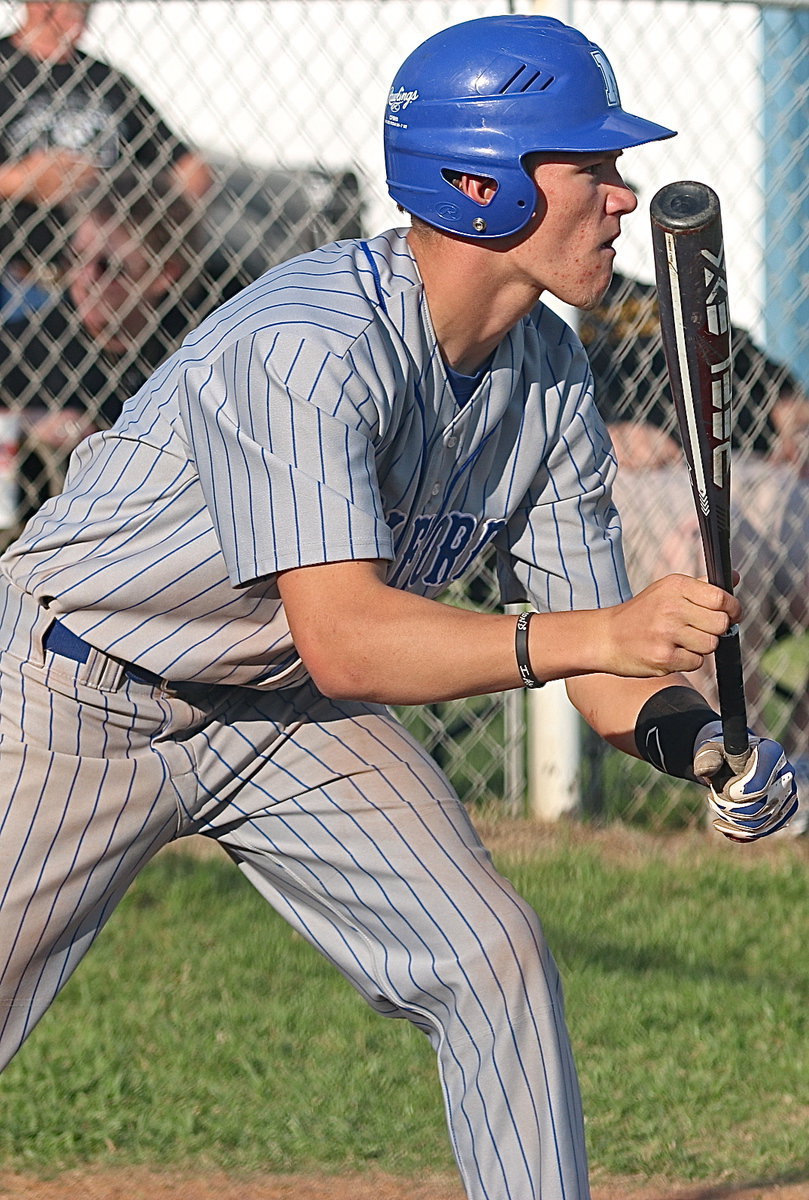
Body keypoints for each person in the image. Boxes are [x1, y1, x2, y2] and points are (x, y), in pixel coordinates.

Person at [0, 16, 798, 1200]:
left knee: (491, 959)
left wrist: (699, 743)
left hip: (277, 714)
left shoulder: (547, 377)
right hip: (74, 691)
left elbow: (600, 668)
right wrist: (596, 636)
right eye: (590, 166)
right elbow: (352, 636)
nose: (623, 198)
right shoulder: (303, 347)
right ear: (477, 182)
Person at [579, 271, 809, 793]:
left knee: (734, 538)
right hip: (639, 487)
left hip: (747, 476)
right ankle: (749, 772)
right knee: (709, 557)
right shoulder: (539, 316)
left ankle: (798, 758)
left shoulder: (674, 303)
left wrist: (799, 430)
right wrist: (602, 437)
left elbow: (784, 398)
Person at [0, 170, 227, 528]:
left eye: (109, 265)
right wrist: (31, 425)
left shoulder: (200, 346)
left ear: (162, 273)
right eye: (76, 258)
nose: (85, 279)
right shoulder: (31, 340)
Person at [0, 1, 211, 321]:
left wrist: (142, 218)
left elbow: (192, 170)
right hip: (19, 280)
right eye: (67, 7)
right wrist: (19, 180)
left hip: (107, 284)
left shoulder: (106, 79)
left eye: (83, 7)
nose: (77, 16)